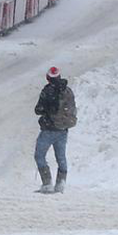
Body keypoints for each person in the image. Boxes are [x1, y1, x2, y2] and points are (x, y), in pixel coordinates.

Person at [34, 66, 77, 194]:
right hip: (63, 130)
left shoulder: (47, 91)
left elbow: (38, 109)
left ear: (48, 77)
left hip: (48, 129)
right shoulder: (68, 91)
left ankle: (47, 183)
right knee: (61, 157)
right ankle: (61, 183)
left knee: (39, 156)